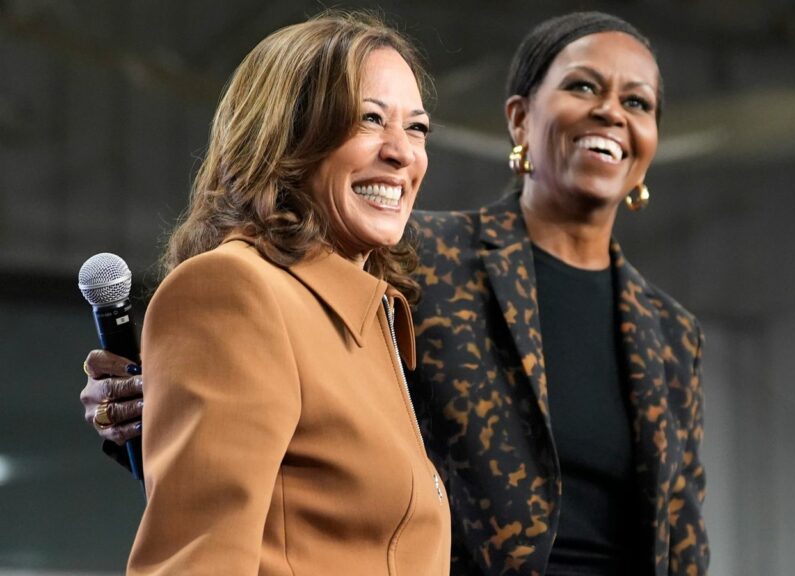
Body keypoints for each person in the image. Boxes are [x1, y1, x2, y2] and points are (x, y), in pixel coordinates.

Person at [82, 11, 708, 576]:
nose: (612, 112)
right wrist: (150, 397)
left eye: (639, 101)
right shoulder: (412, 261)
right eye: (582, 86)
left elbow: (679, 536)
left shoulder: (671, 333)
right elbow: (235, 354)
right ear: (519, 117)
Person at [92, 11, 451, 574]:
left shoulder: (365, 315)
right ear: (287, 137)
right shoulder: (233, 289)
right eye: (368, 119)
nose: (402, 152)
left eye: (417, 127)